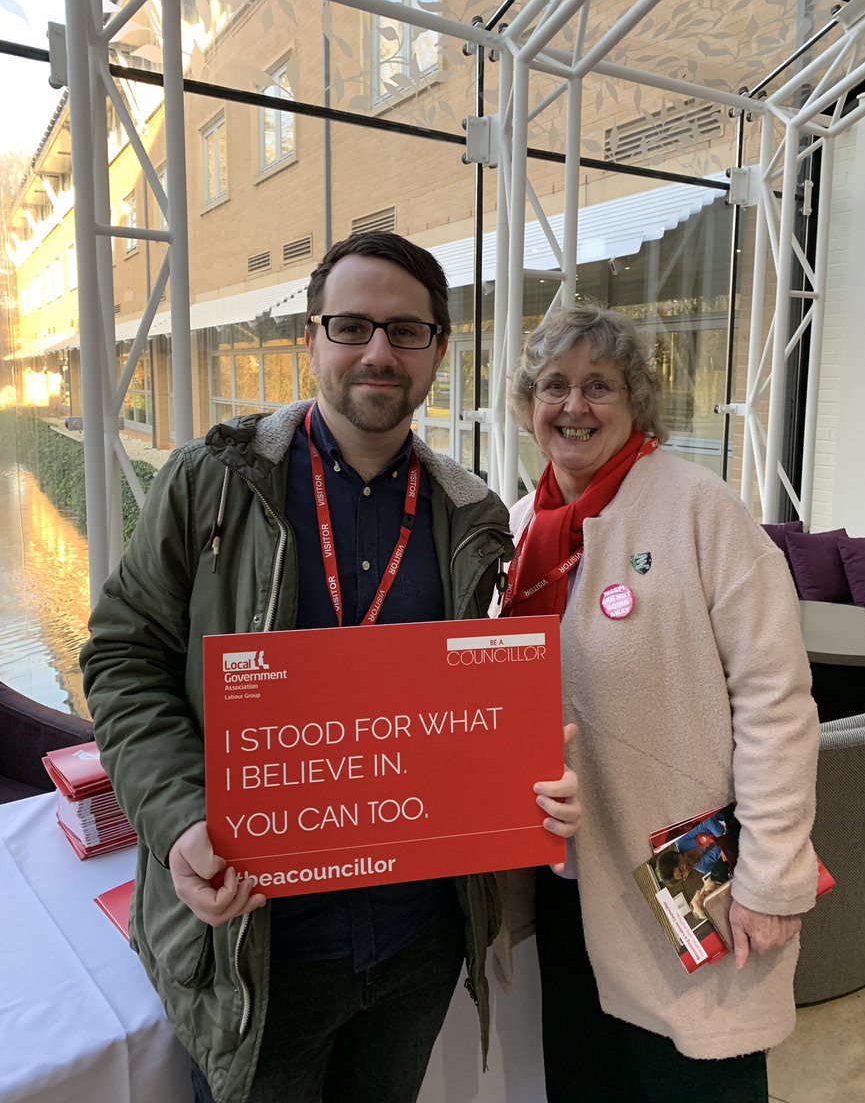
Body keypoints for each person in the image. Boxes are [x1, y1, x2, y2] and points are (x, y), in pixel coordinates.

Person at [80, 232, 580, 1103]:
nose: (379, 352)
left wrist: (531, 778)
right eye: (351, 326)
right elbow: (122, 657)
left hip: (416, 947)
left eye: (407, 331)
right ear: (310, 340)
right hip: (259, 951)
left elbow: (460, 707)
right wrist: (182, 819)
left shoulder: (473, 518)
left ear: (438, 351)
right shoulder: (212, 484)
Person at [502, 303, 820, 1103]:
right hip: (564, 879)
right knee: (586, 1077)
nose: (573, 406)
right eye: (554, 386)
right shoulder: (515, 529)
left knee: (694, 1079)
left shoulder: (701, 510)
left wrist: (772, 876)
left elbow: (776, 700)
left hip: (684, 869)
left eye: (598, 385)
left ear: (637, 402)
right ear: (528, 406)